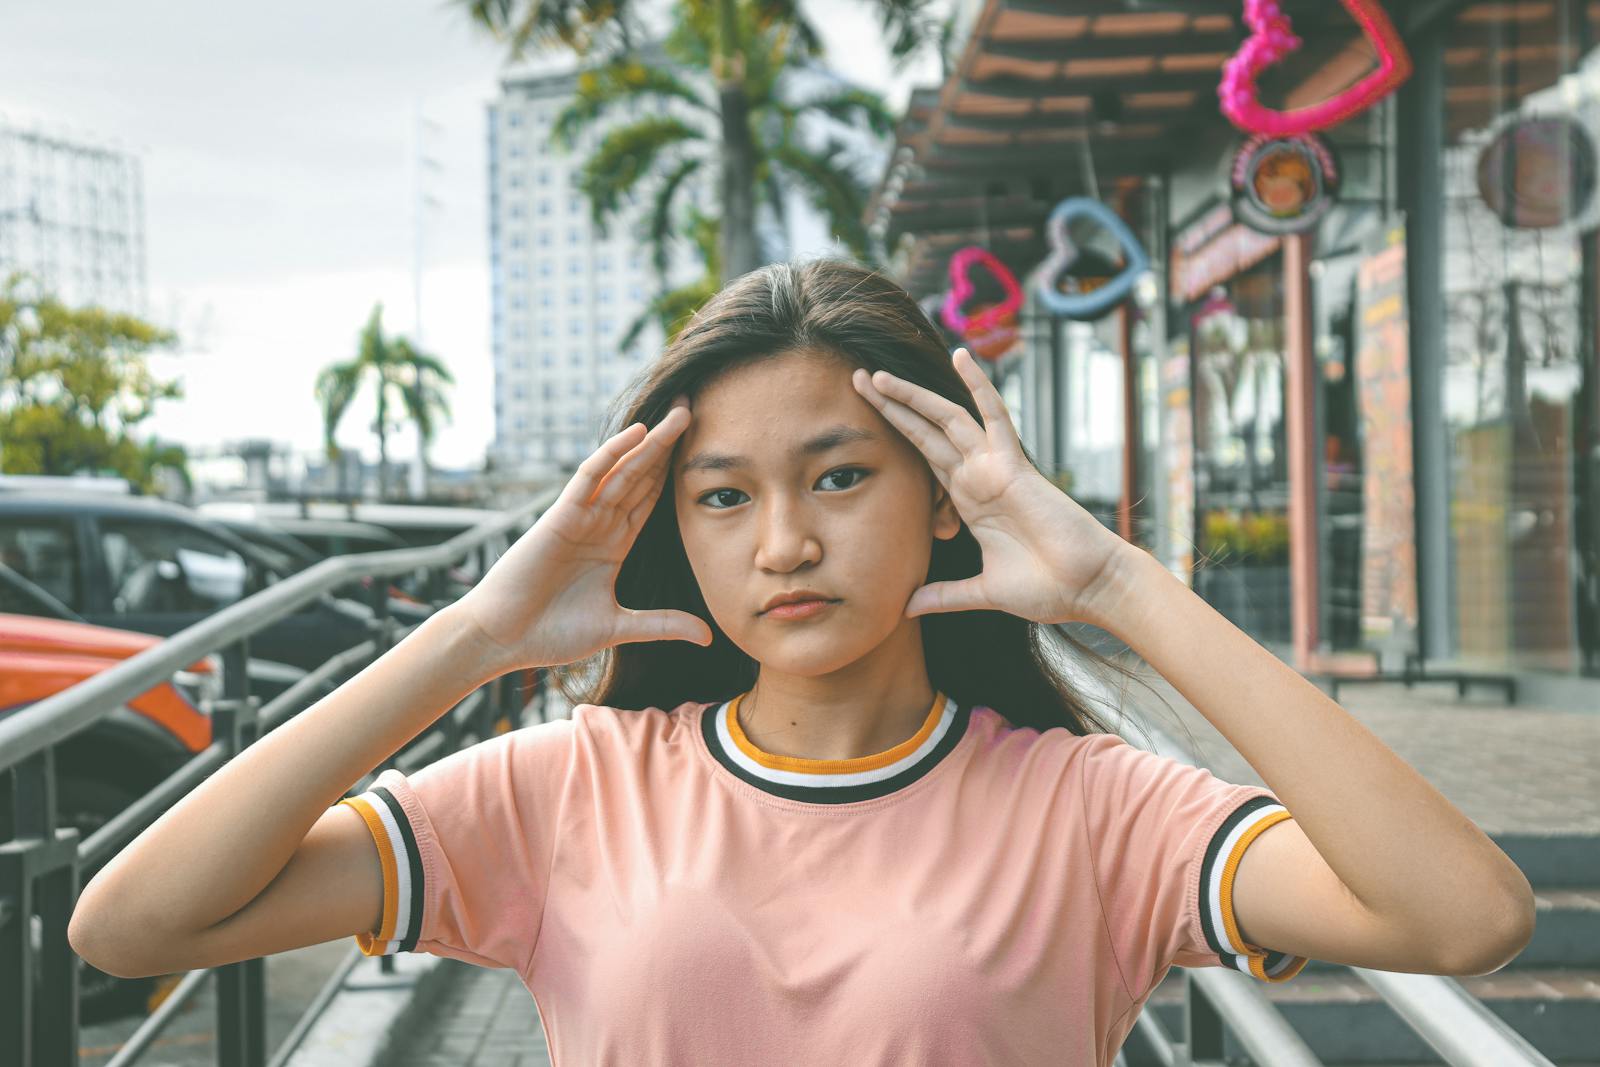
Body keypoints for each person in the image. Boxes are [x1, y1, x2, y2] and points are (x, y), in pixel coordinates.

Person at [70, 259, 1535, 1065]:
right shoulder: (569, 787)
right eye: (724, 495)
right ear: (677, 532)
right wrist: (469, 639)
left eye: (839, 479)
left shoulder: (1097, 810)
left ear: (937, 500)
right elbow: (129, 925)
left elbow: (1467, 919)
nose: (783, 543)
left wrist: (1112, 583)